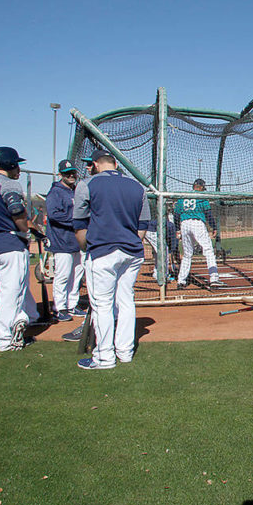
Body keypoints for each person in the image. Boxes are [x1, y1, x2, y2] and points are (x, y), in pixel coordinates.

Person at [70, 149, 150, 369]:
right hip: (132, 252)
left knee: (102, 305)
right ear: (115, 164)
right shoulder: (137, 186)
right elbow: (143, 225)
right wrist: (131, 242)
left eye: (90, 164)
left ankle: (104, 357)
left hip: (102, 251)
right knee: (125, 300)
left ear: (96, 164)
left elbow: (79, 224)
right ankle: (125, 352)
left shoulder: (87, 184)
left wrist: (86, 248)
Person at [0, 146, 39, 352]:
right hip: (9, 245)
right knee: (13, 292)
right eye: (16, 164)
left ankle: (7, 327)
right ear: (8, 164)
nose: (18, 168)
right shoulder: (8, 183)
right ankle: (7, 339)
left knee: (4, 291)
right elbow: (16, 210)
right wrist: (26, 230)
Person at [45, 160, 86, 321]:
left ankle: (72, 304)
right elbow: (54, 215)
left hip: (77, 241)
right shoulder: (56, 192)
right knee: (63, 275)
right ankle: (59, 307)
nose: (71, 176)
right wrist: (77, 220)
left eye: (73, 173)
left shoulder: (76, 190)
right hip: (62, 240)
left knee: (77, 275)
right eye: (67, 173)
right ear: (60, 174)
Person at [174, 178, 224, 288]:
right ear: (201, 187)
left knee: (187, 254)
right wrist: (214, 227)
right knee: (208, 251)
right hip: (197, 224)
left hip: (184, 224)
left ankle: (181, 281)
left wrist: (178, 229)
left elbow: (176, 215)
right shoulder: (202, 197)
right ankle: (214, 279)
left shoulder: (183, 196)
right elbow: (208, 214)